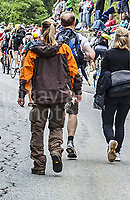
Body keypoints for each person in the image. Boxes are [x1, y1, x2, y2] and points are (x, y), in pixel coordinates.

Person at [18, 19, 82, 175]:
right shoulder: (64, 49)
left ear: (41, 30)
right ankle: (55, 151)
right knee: (56, 127)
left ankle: (39, 164)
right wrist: (77, 91)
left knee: (37, 129)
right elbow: (74, 72)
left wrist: (22, 94)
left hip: (40, 96)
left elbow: (26, 74)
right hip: (59, 96)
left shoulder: (33, 50)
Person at [57, 12, 95, 158]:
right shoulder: (80, 38)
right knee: (72, 112)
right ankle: (70, 141)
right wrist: (81, 56)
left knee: (58, 109)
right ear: (74, 23)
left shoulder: (55, 37)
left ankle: (56, 142)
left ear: (61, 23)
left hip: (57, 78)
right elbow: (92, 55)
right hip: (74, 78)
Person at [100, 28, 130, 162]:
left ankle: (111, 140)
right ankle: (118, 150)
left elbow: (103, 73)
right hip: (126, 93)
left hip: (111, 92)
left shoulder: (108, 54)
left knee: (107, 121)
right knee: (120, 122)